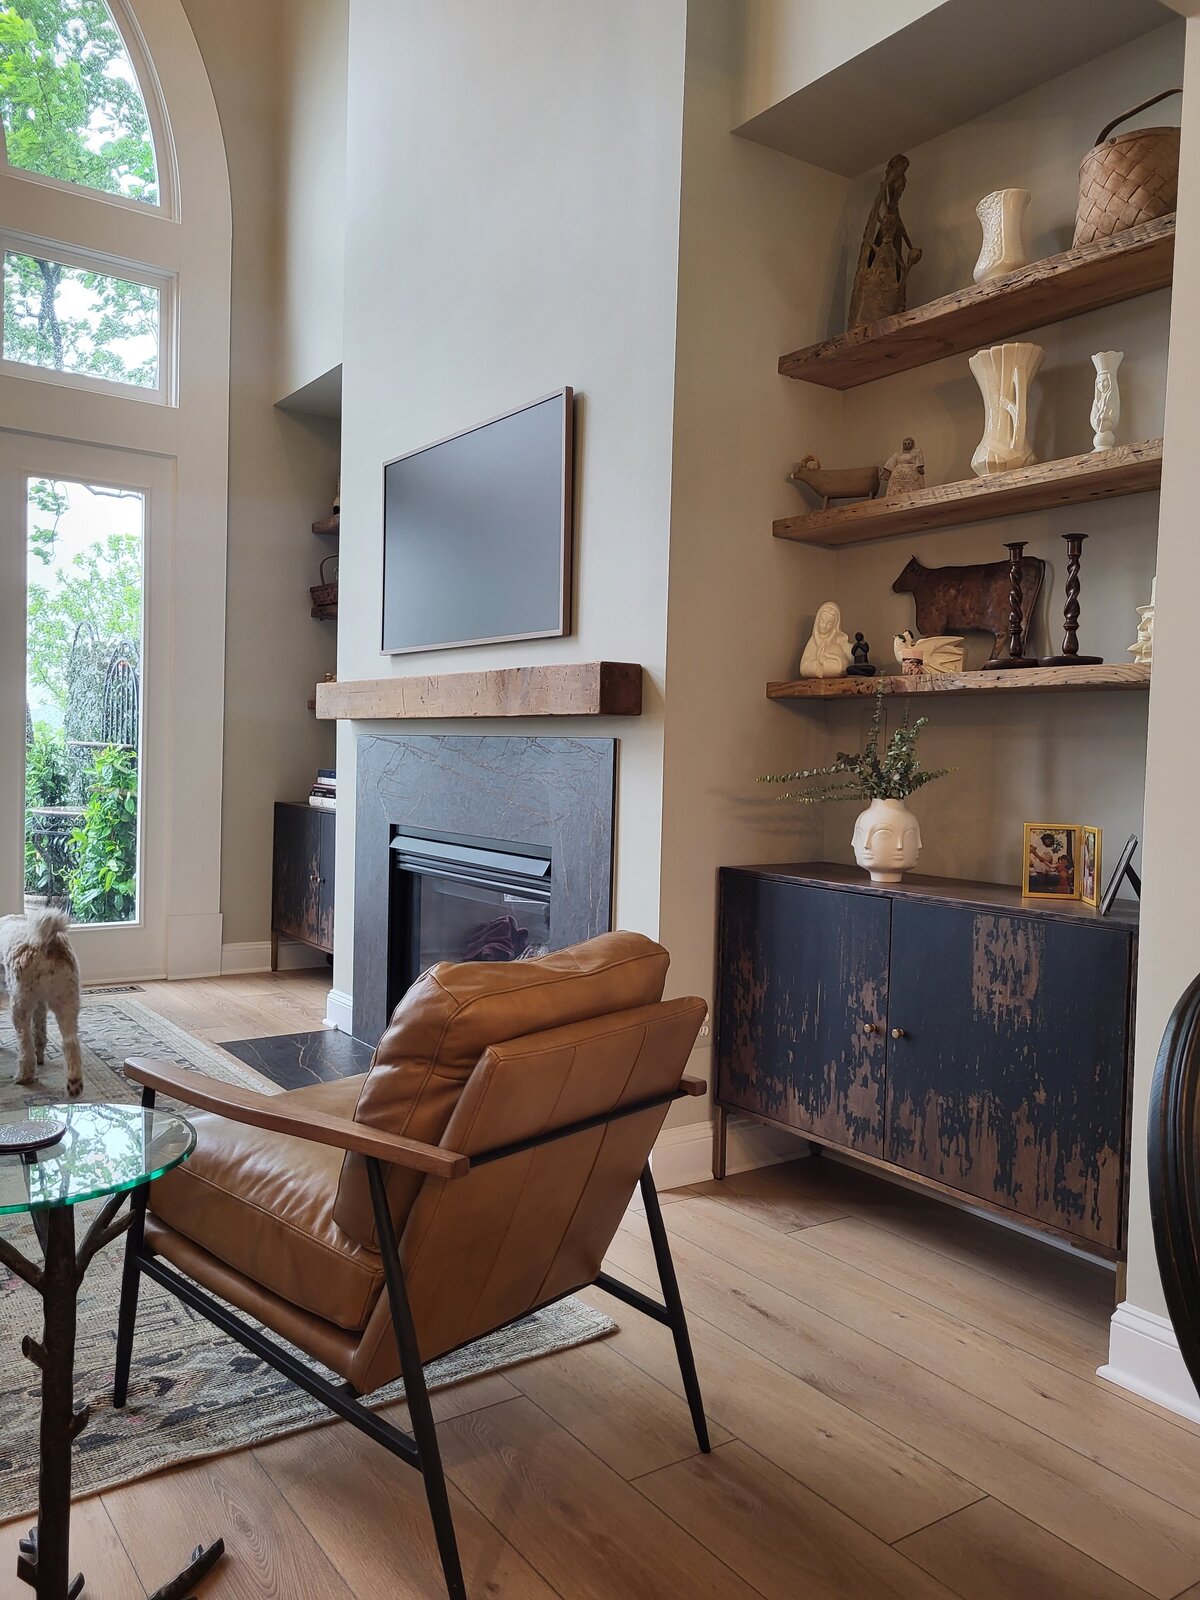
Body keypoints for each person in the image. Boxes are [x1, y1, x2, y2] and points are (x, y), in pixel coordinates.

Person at [800, 601, 852, 679]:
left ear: (835, 625)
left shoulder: (839, 644)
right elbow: (804, 669)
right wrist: (819, 665)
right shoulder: (813, 642)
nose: (824, 626)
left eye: (829, 624)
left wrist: (827, 659)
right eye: (821, 621)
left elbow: (843, 669)